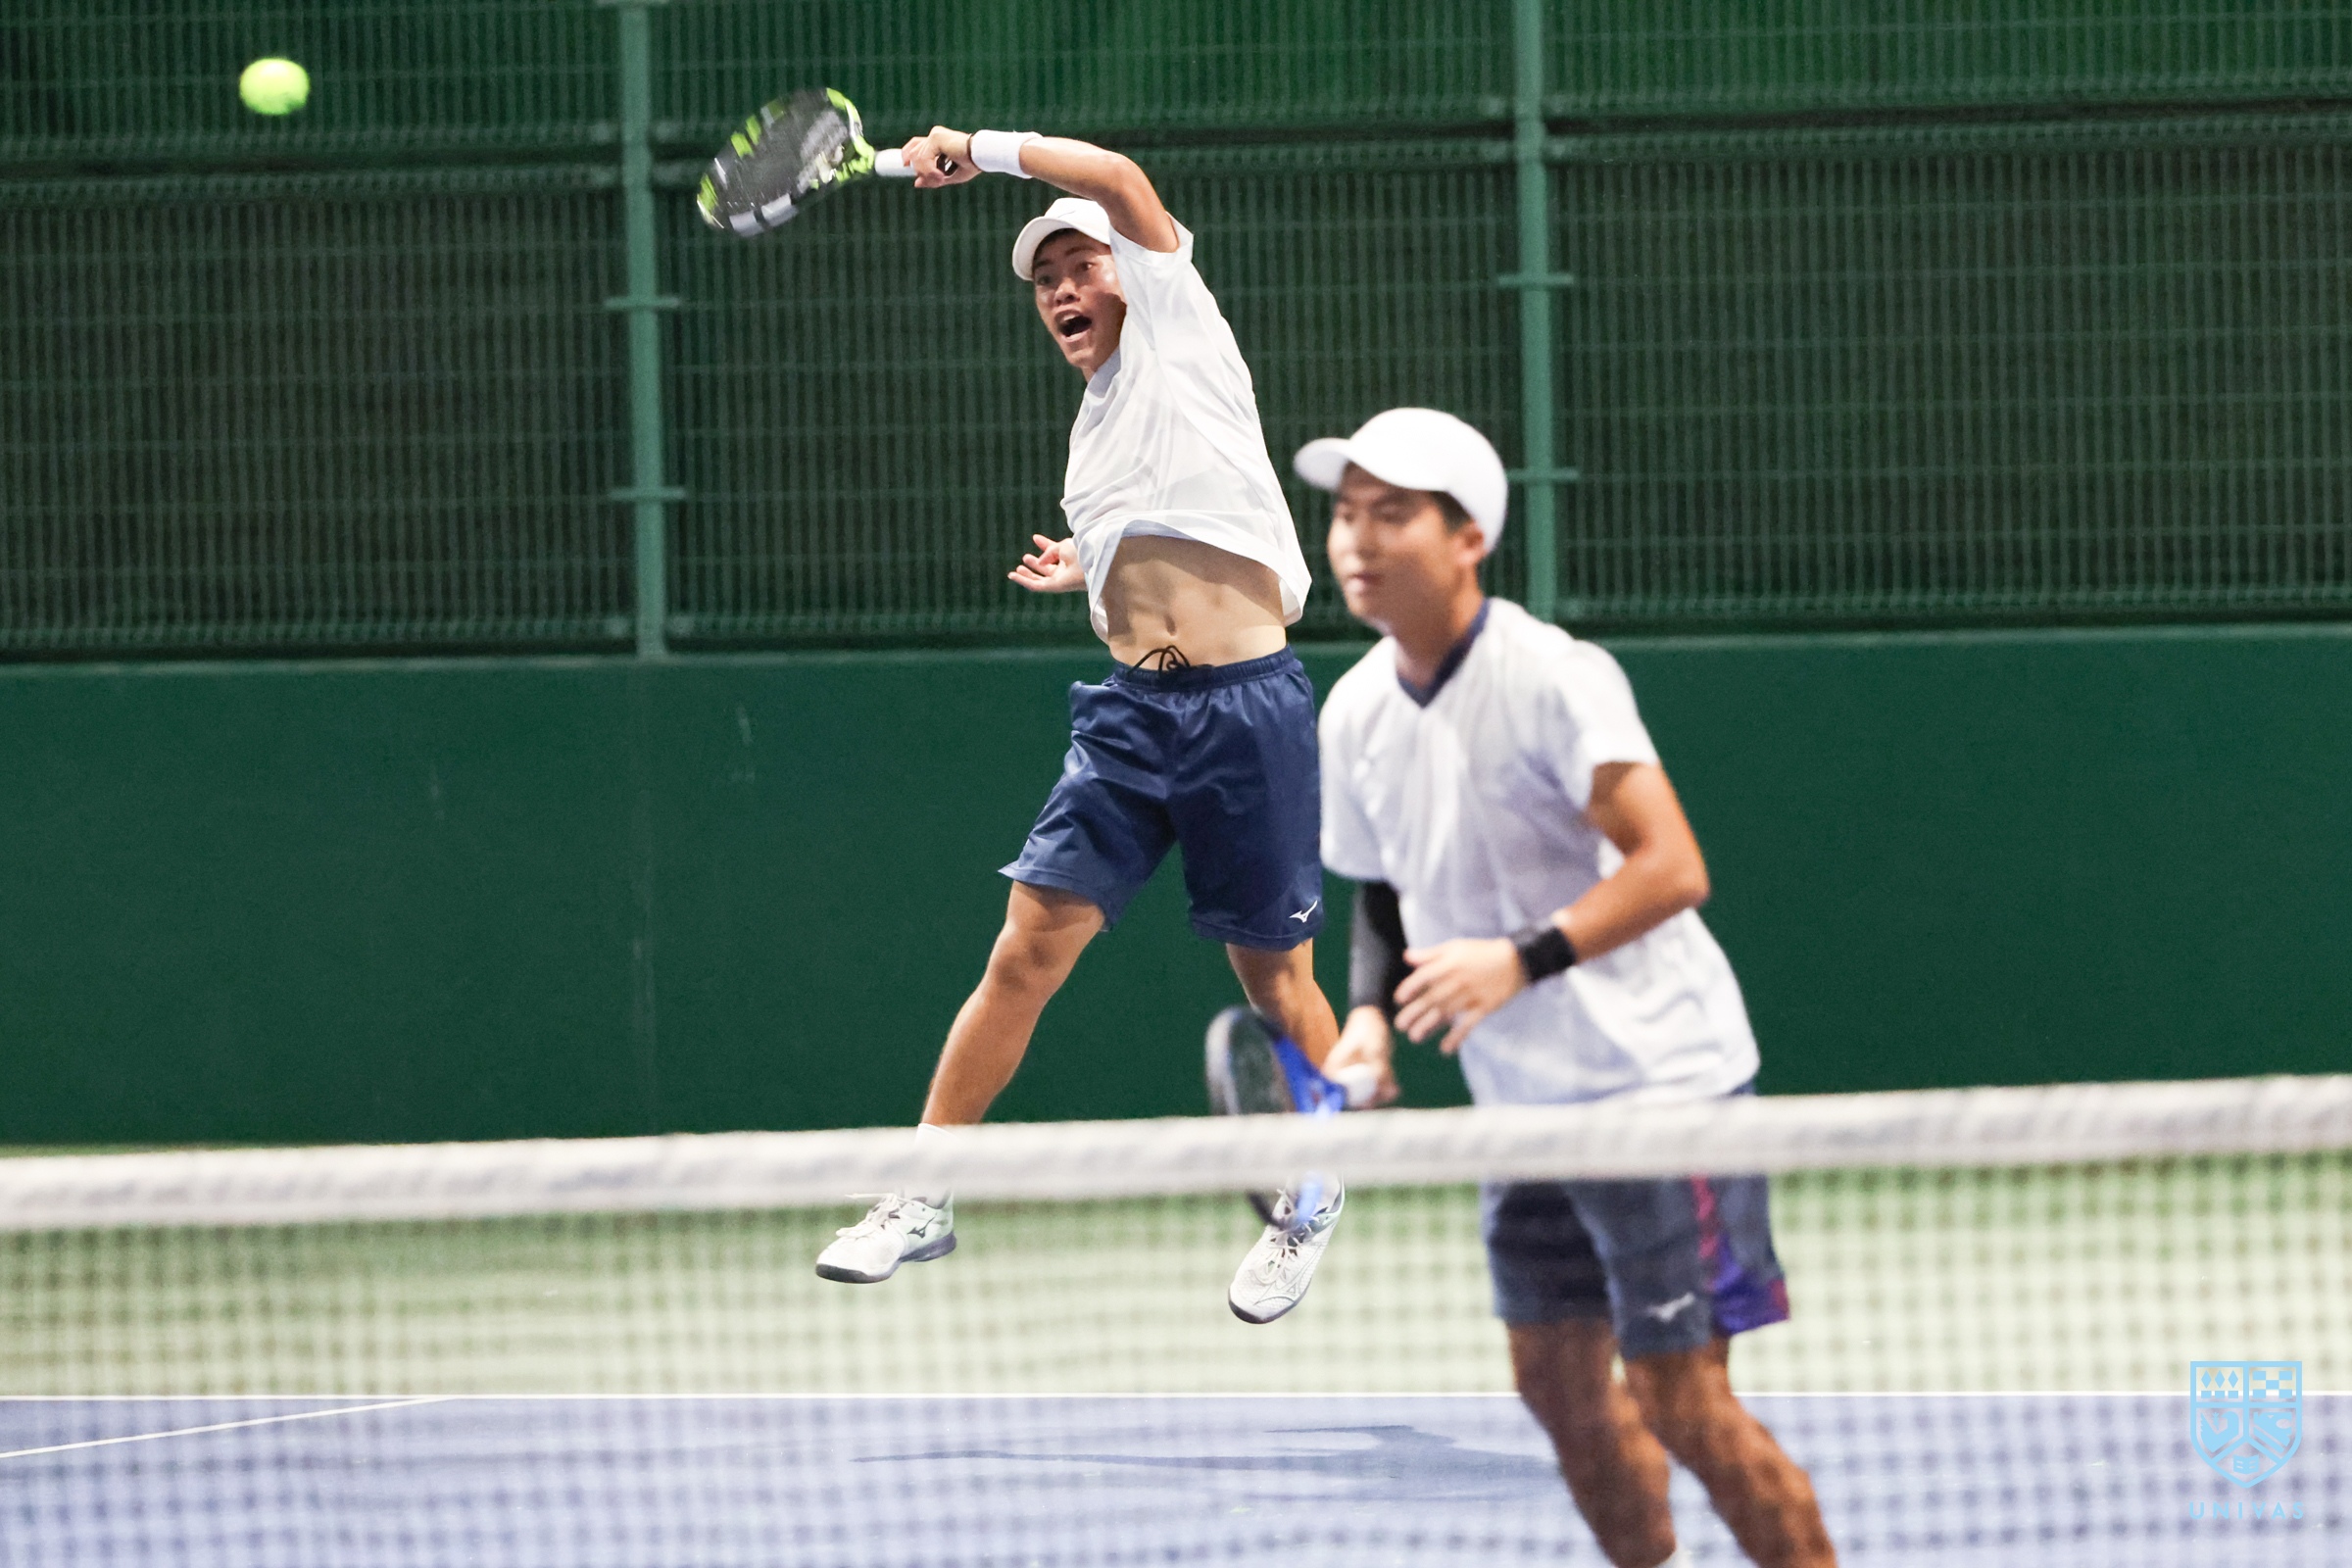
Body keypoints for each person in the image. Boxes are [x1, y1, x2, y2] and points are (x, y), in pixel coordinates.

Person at [814, 125, 1344, 1324]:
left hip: (1245, 712)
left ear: (1130, 275)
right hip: (1130, 717)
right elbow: (1164, 530)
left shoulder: (1180, 324)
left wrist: (978, 150)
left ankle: (1311, 1191)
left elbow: (1115, 179)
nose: (1062, 290)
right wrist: (1092, 564)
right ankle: (924, 1192)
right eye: (1045, 279)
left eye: (1080, 267)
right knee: (1023, 953)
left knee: (1275, 979)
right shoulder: (1093, 434)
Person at [1298, 408, 1838, 1567]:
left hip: (1657, 1089)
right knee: (1558, 1393)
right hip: (1523, 1108)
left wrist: (1520, 958)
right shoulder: (1353, 714)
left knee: (1681, 1398)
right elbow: (1384, 889)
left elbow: (1672, 865)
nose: (1357, 540)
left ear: (1469, 538)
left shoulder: (1551, 676)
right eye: (1345, 515)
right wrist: (1368, 1020)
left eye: (1392, 514)